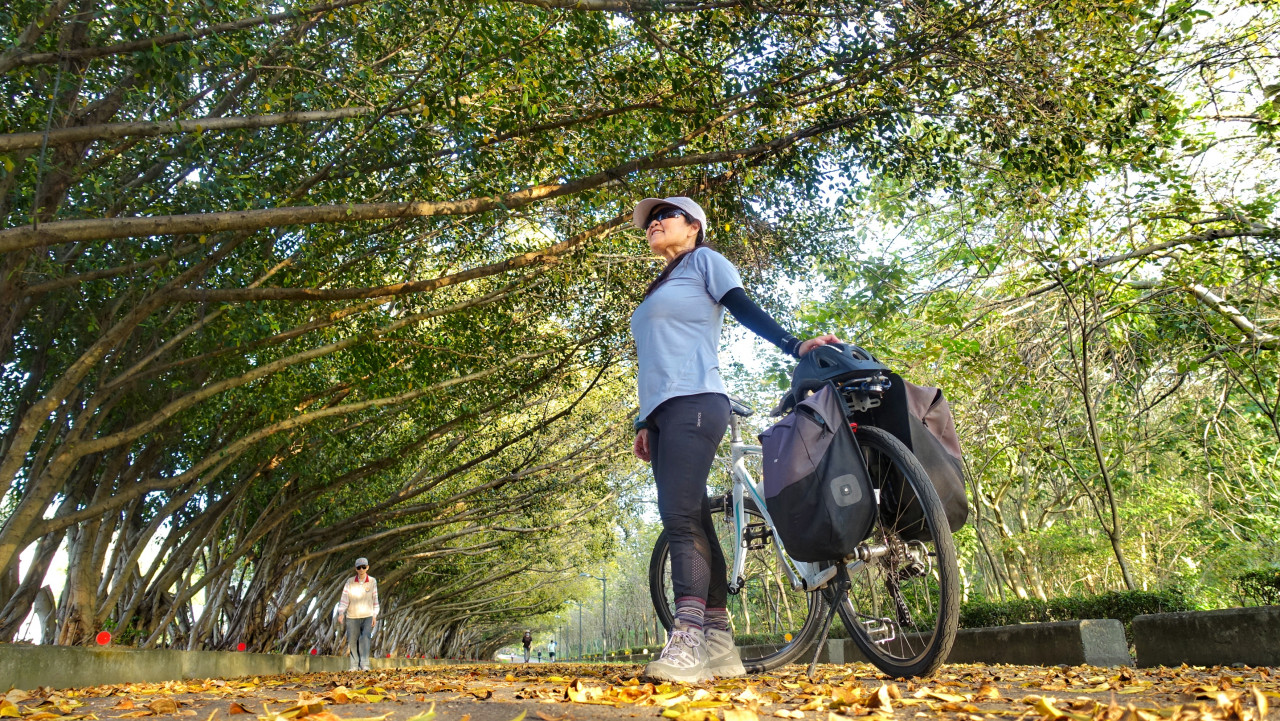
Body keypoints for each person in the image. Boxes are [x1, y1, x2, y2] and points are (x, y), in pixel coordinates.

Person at [629, 196, 839, 683]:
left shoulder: (705, 261)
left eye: (667, 215)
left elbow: (742, 307)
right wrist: (643, 422)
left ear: (695, 226)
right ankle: (720, 642)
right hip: (661, 412)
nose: (655, 222)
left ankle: (687, 637)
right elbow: (653, 360)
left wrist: (794, 344)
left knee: (679, 517)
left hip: (697, 401)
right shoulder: (660, 283)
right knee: (694, 517)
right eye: (650, 219)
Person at [336, 557, 379, 671]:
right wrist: (341, 613)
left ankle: (364, 664)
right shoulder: (350, 581)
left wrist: (375, 615)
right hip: (352, 616)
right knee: (353, 640)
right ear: (356, 569)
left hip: (368, 615)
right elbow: (344, 598)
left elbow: (375, 599)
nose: (361, 569)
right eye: (359, 567)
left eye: (364, 567)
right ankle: (354, 665)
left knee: (365, 638)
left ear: (367, 568)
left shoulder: (372, 581)